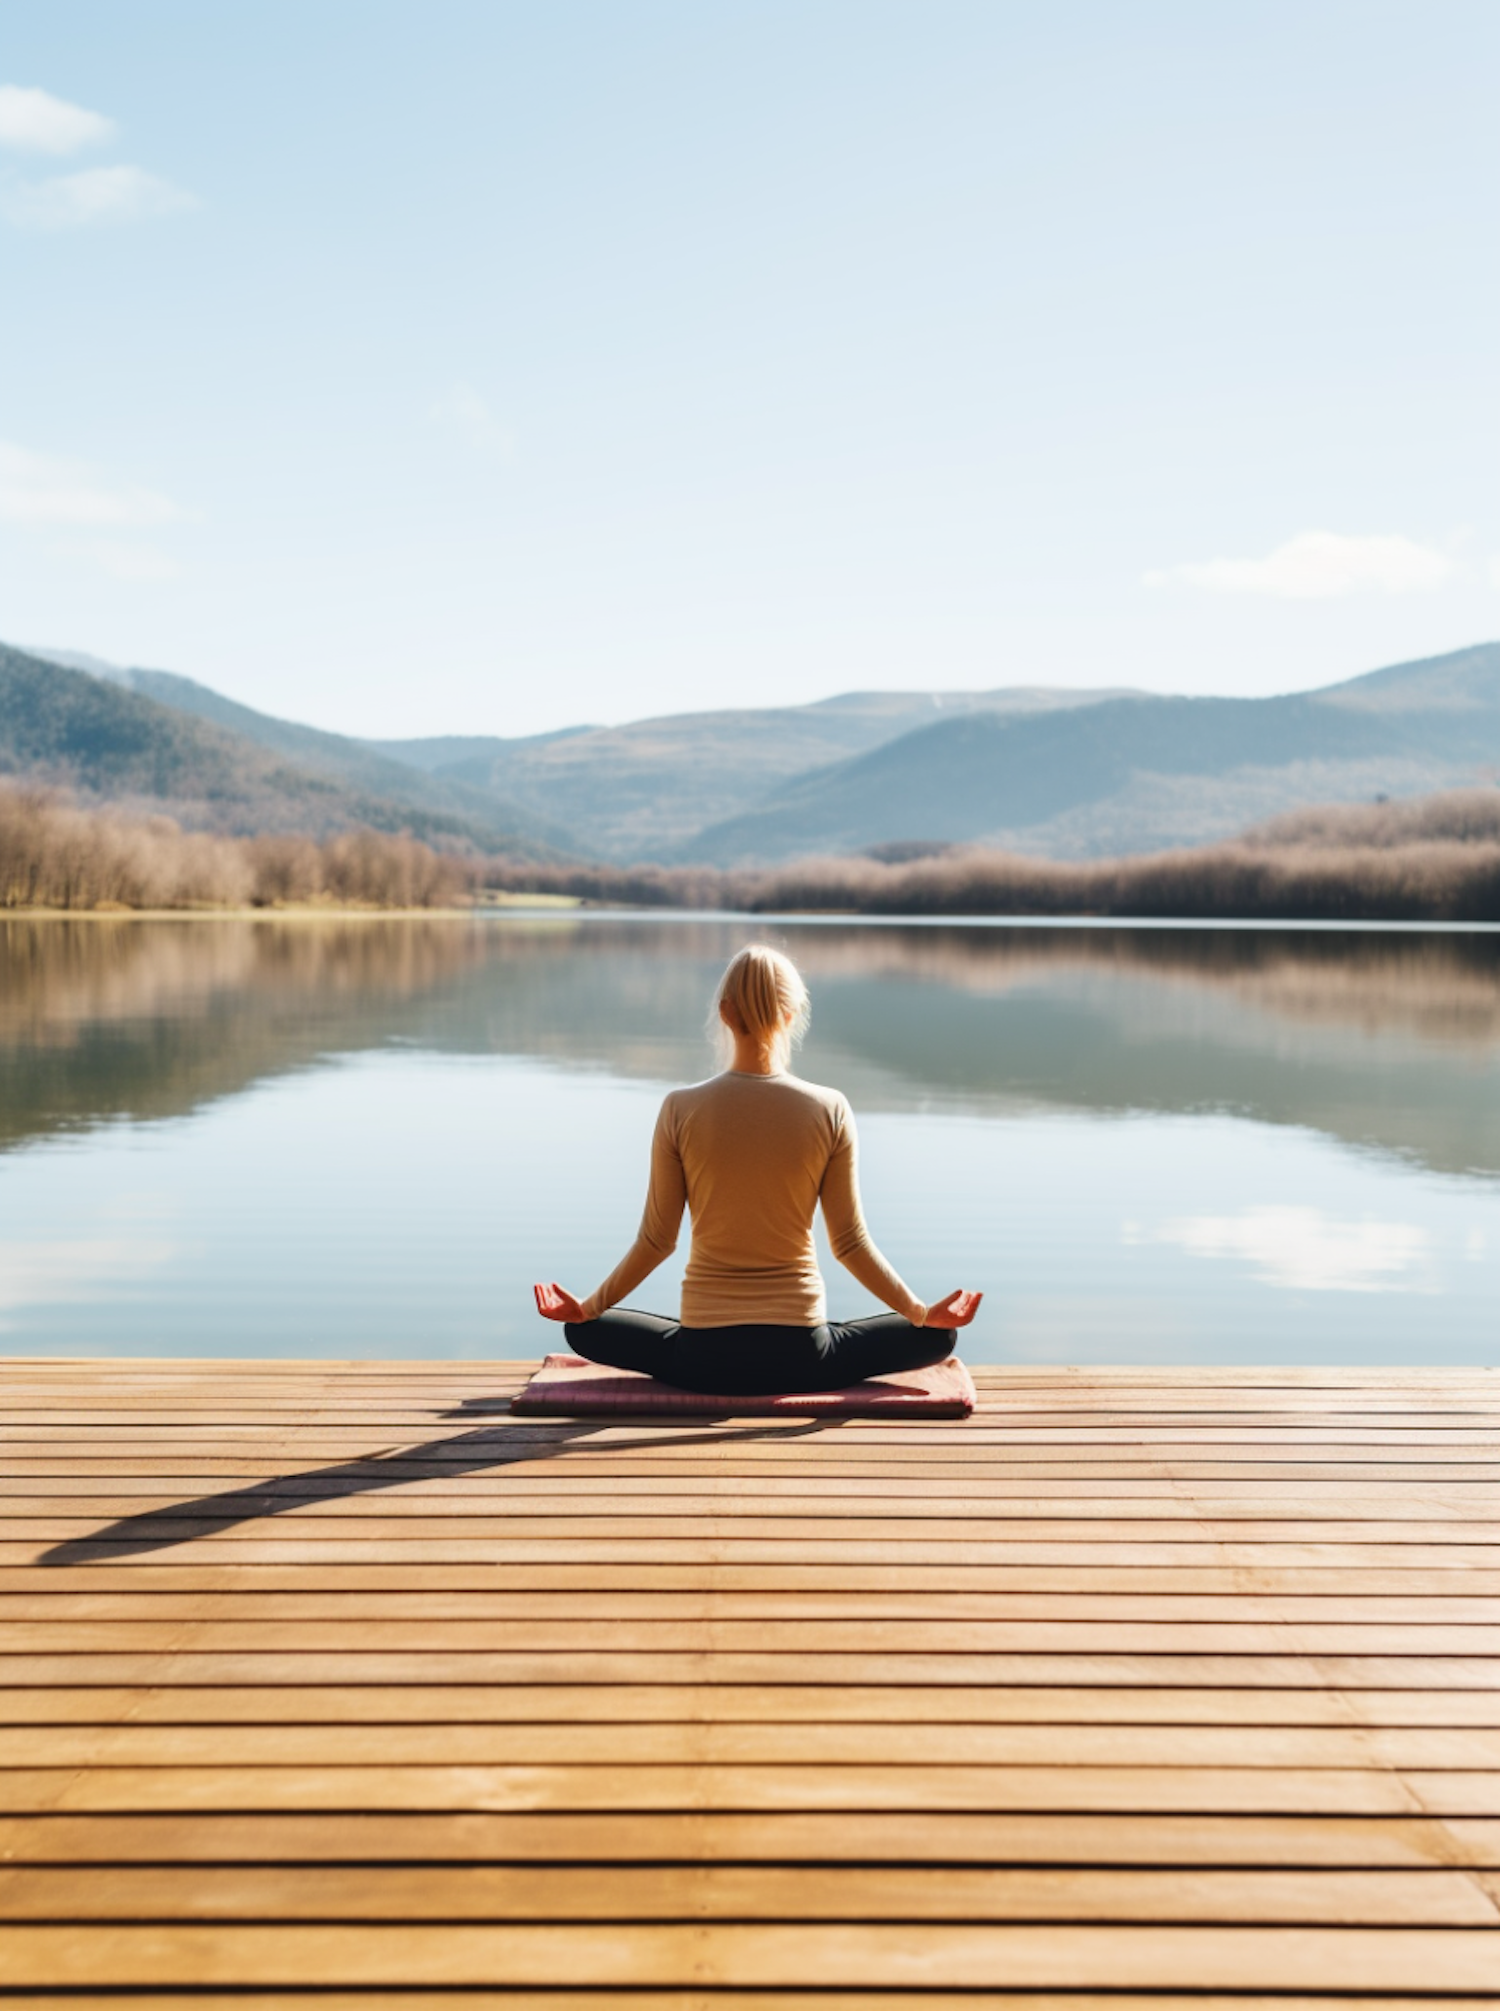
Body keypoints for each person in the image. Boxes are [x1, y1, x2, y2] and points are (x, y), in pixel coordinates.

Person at [533, 942, 981, 1395]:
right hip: (804, 1357)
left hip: (702, 1359)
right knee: (939, 1337)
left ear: (725, 1013)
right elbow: (849, 1243)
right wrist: (921, 1313)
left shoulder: (679, 1109)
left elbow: (657, 1240)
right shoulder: (830, 1109)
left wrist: (590, 1307)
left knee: (584, 1331)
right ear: (791, 1014)